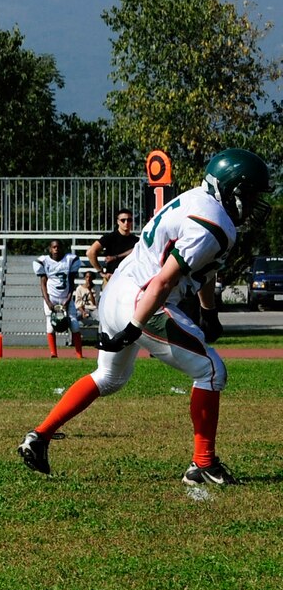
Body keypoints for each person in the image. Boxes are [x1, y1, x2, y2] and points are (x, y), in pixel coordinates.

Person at [19, 149, 269, 484]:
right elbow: (164, 280)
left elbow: (203, 270)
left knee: (109, 377)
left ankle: (39, 437)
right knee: (211, 370)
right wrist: (134, 327)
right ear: (230, 189)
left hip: (119, 291)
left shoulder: (195, 199)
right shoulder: (215, 224)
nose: (252, 204)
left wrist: (209, 312)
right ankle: (203, 464)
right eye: (249, 195)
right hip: (142, 298)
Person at [34, 238, 86, 360]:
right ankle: (53, 354)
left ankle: (79, 355)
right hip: (51, 298)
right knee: (50, 326)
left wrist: (68, 300)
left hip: (66, 297)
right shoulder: (44, 261)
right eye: (54, 247)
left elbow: (72, 282)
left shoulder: (69, 260)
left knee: (74, 325)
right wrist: (48, 301)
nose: (56, 249)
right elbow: (43, 283)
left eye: (58, 247)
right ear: (50, 249)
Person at [85, 208, 139, 287]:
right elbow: (90, 252)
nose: (126, 223)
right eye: (123, 220)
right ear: (118, 222)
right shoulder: (110, 237)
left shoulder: (136, 240)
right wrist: (101, 272)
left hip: (130, 281)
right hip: (112, 279)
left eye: (129, 220)